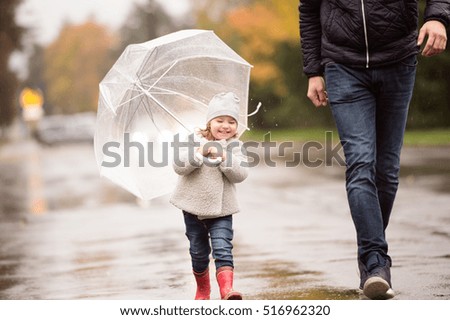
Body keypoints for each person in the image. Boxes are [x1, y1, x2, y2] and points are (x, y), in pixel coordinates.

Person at [299, 0, 449, 299]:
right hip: (342, 66)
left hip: (398, 60)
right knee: (361, 164)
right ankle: (375, 263)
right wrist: (313, 70)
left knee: (387, 170)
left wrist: (438, 18)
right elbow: (309, 10)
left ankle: (370, 255)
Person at [170, 92, 248, 300]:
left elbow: (241, 174)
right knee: (198, 251)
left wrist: (224, 156)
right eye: (219, 120)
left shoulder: (235, 147)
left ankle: (227, 290)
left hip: (222, 210)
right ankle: (203, 289)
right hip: (193, 209)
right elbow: (179, 166)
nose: (225, 126)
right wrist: (198, 154)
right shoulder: (194, 141)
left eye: (231, 121)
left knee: (223, 247)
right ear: (209, 122)